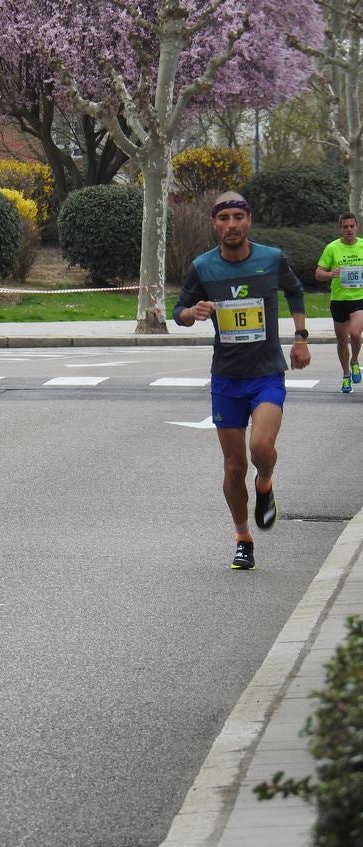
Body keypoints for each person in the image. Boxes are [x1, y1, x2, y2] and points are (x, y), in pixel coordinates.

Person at [173, 191, 310, 571]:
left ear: (248, 220)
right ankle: (242, 537)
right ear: (214, 224)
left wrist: (300, 339)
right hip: (227, 378)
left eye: (237, 217)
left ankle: (265, 483)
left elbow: (296, 291)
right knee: (234, 466)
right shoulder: (203, 266)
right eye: (223, 219)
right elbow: (177, 311)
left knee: (261, 449)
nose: (231, 225)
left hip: (266, 372)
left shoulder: (272, 258)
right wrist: (192, 313)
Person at [315, 212, 363, 393]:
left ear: (356, 226)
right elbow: (318, 274)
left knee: (355, 333)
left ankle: (355, 360)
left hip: (360, 298)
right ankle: (345, 375)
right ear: (340, 228)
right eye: (345, 227)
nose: (349, 229)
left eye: (352, 226)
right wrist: (330, 274)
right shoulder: (332, 248)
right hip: (339, 300)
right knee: (342, 341)